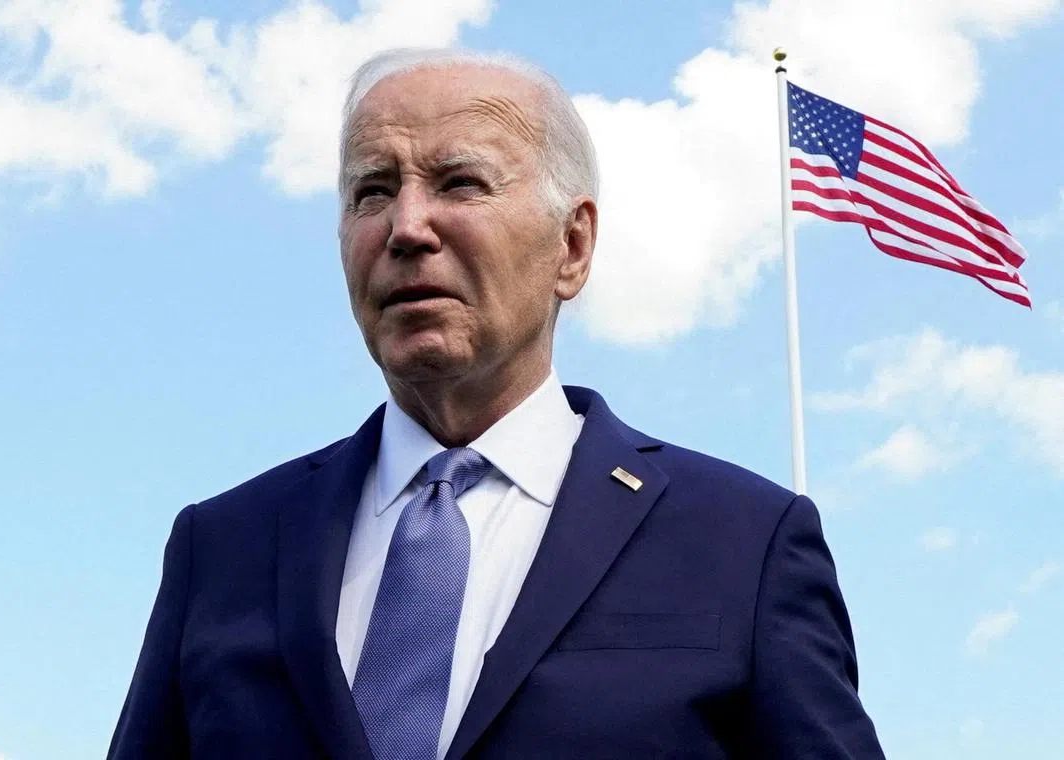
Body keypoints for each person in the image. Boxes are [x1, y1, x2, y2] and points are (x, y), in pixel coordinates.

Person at [108, 48, 885, 760]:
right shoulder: (223, 548)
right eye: (371, 191)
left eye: (460, 183)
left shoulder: (743, 541)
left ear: (572, 246)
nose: (407, 227)